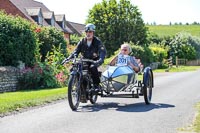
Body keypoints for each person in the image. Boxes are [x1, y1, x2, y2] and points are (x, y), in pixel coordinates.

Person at [63, 23, 106, 92]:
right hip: (84, 60)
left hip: (94, 60)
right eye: (87, 32)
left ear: (93, 33)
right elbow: (76, 51)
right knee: (74, 68)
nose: (88, 34)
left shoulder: (97, 41)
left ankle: (96, 85)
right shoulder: (82, 41)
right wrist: (68, 58)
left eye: (90, 32)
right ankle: (78, 84)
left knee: (92, 67)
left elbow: (102, 51)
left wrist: (100, 59)